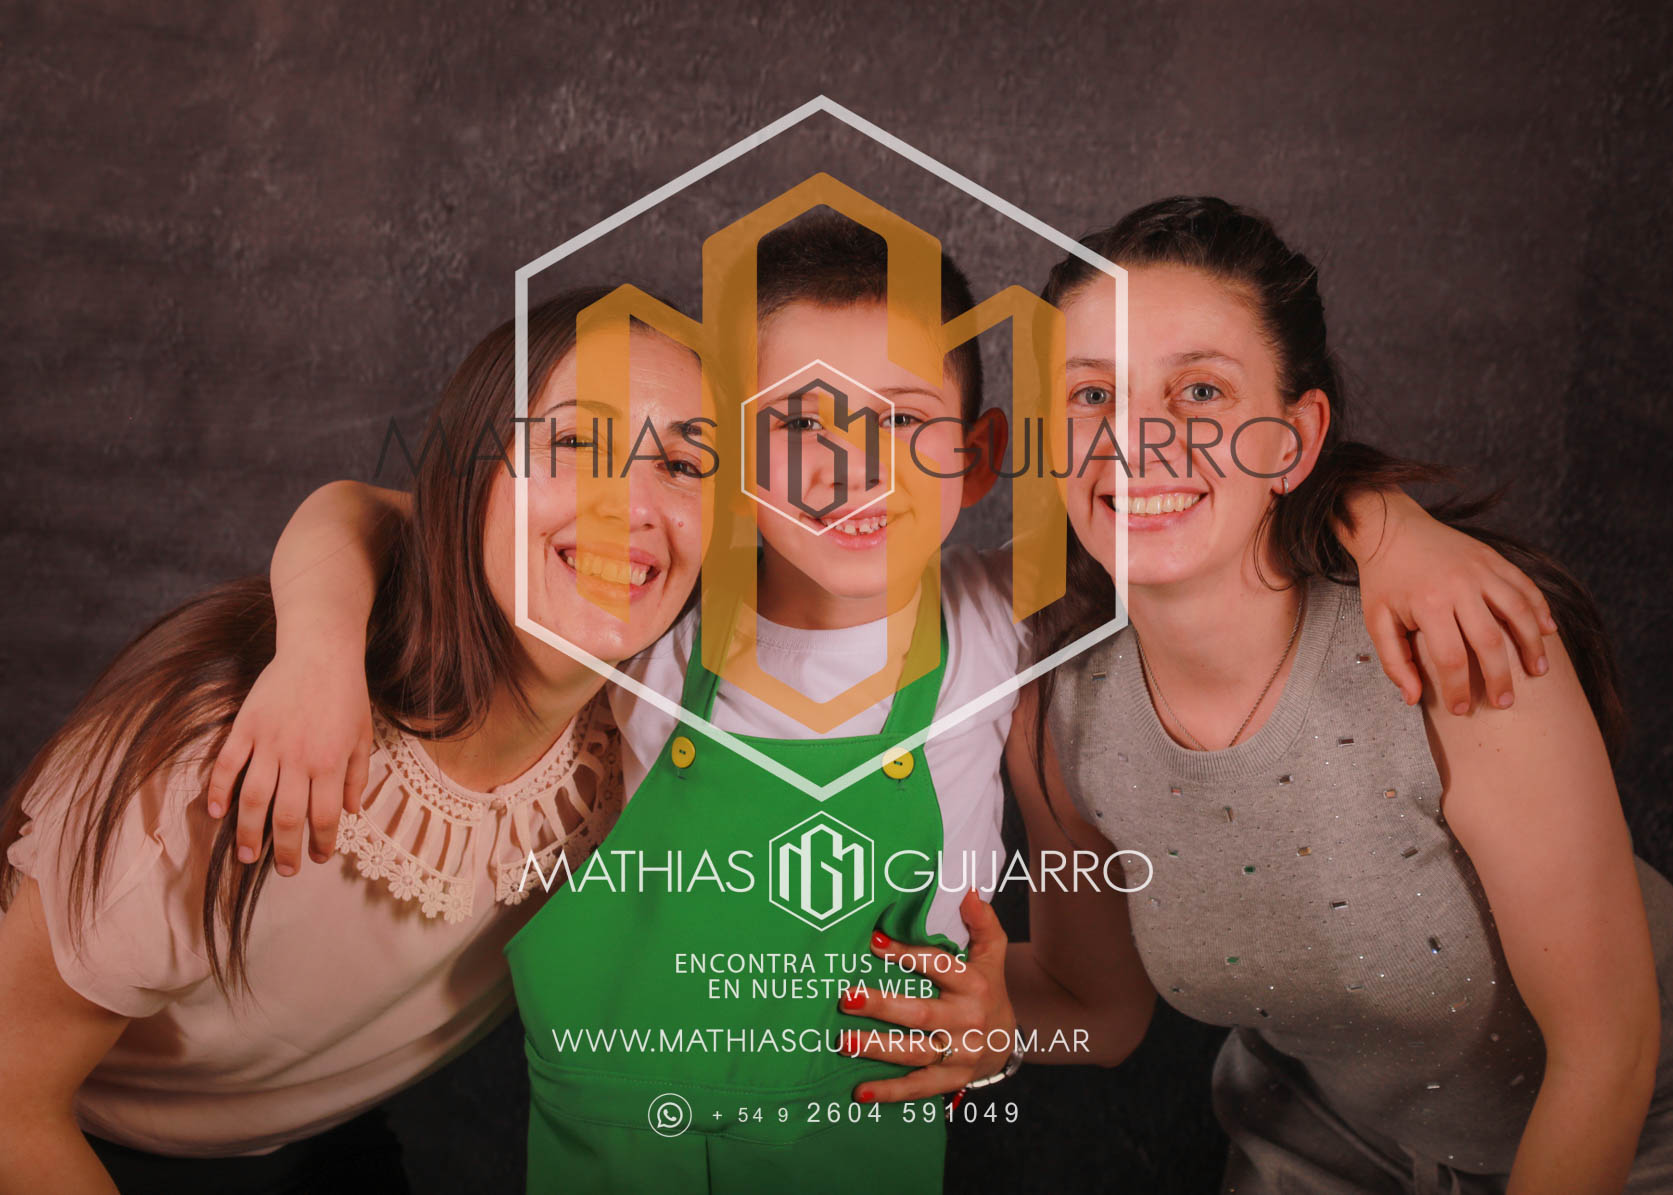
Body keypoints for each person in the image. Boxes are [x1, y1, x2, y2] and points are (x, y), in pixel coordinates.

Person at [245, 212, 1561, 1193]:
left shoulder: (1013, 645)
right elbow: (366, 514)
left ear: (980, 457)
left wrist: (1392, 529)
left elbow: (1099, 1012)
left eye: (902, 420)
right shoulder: (630, 608)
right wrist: (312, 654)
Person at [1016, 196, 1673, 1193]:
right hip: (1328, 1148)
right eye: (1091, 394)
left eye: (1200, 391)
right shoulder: (1060, 713)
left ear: (1293, 437)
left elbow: (1607, 1055)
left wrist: (1383, 520)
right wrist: (875, 1006)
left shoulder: (1447, 645)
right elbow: (1094, 1010)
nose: (1135, 438)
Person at [0, 286, 708, 1194]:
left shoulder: (654, 721)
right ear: (465, 483)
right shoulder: (222, 761)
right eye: (575, 444)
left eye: (683, 465)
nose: (632, 506)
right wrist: (318, 647)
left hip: (311, 1145)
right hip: (85, 1143)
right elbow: (12, 1098)